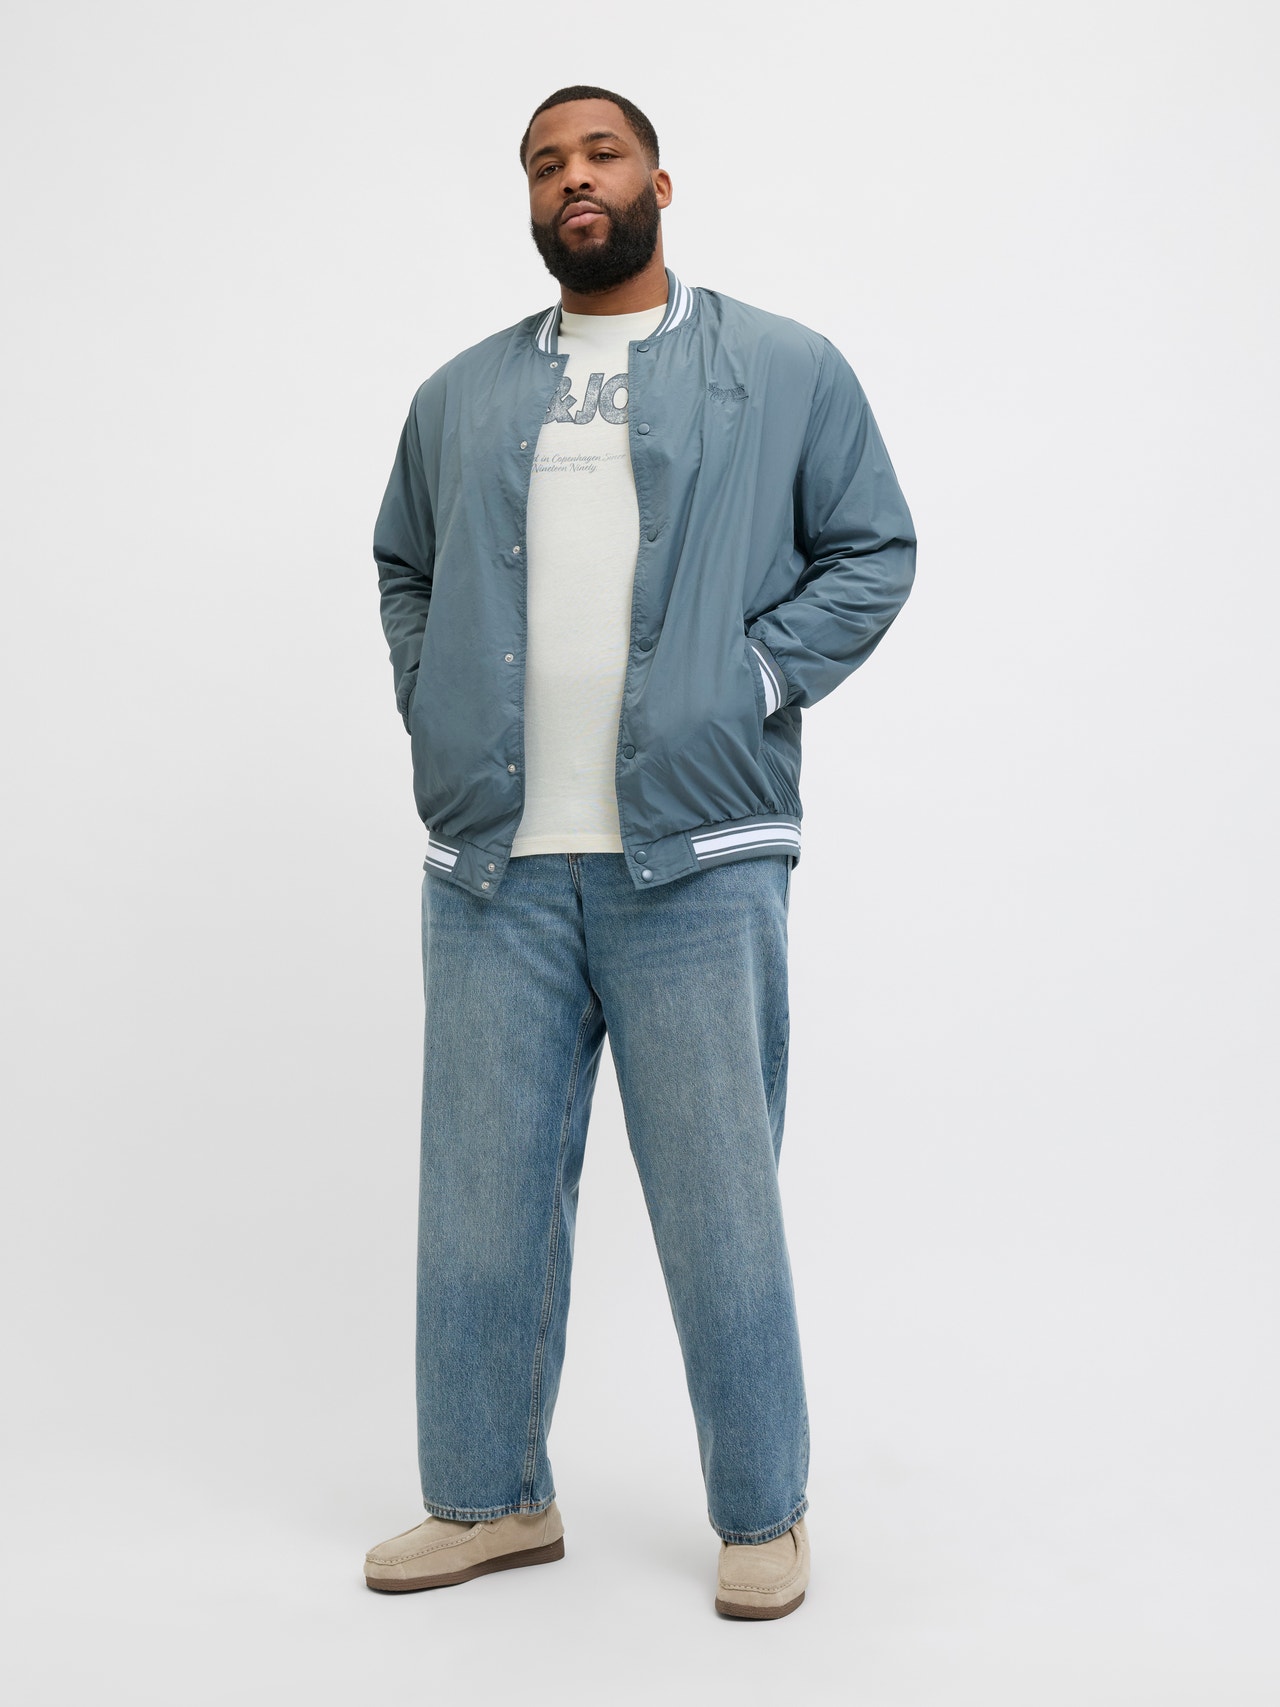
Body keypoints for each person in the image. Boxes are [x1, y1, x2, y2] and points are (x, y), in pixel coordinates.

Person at [363, 84, 916, 1620]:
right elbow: (406, 567)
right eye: (546, 163)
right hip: (495, 870)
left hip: (699, 859)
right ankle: (488, 1501)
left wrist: (750, 681)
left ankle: (763, 1512)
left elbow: (873, 548)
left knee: (719, 1206)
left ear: (660, 183)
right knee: (479, 1205)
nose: (574, 177)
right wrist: (434, 701)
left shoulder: (783, 369)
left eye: (600, 153)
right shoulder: (459, 396)